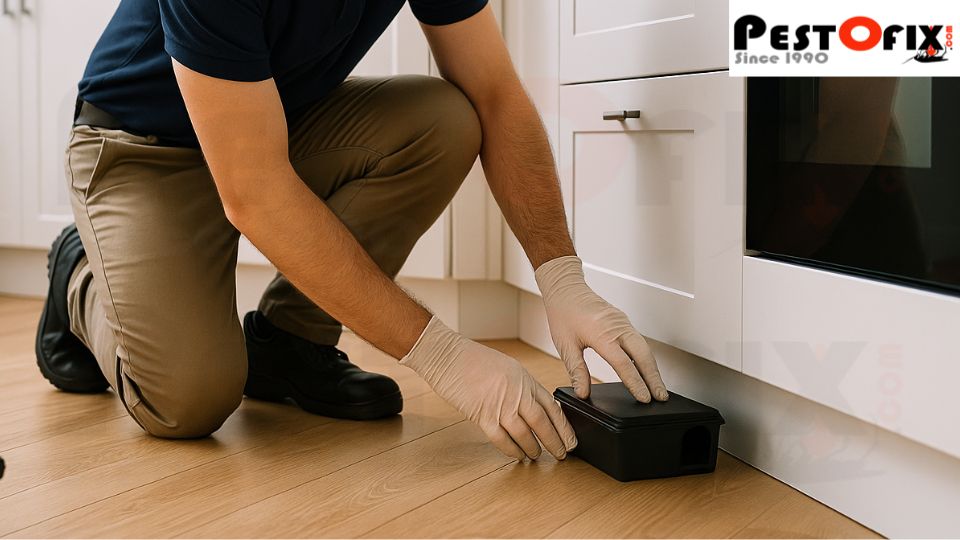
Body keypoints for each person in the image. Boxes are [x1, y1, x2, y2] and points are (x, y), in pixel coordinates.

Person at [35, 0, 668, 462]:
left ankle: (288, 345)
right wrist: (447, 360)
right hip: (142, 150)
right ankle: (80, 272)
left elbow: (495, 93)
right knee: (186, 403)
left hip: (272, 125)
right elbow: (254, 193)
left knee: (445, 120)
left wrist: (562, 278)